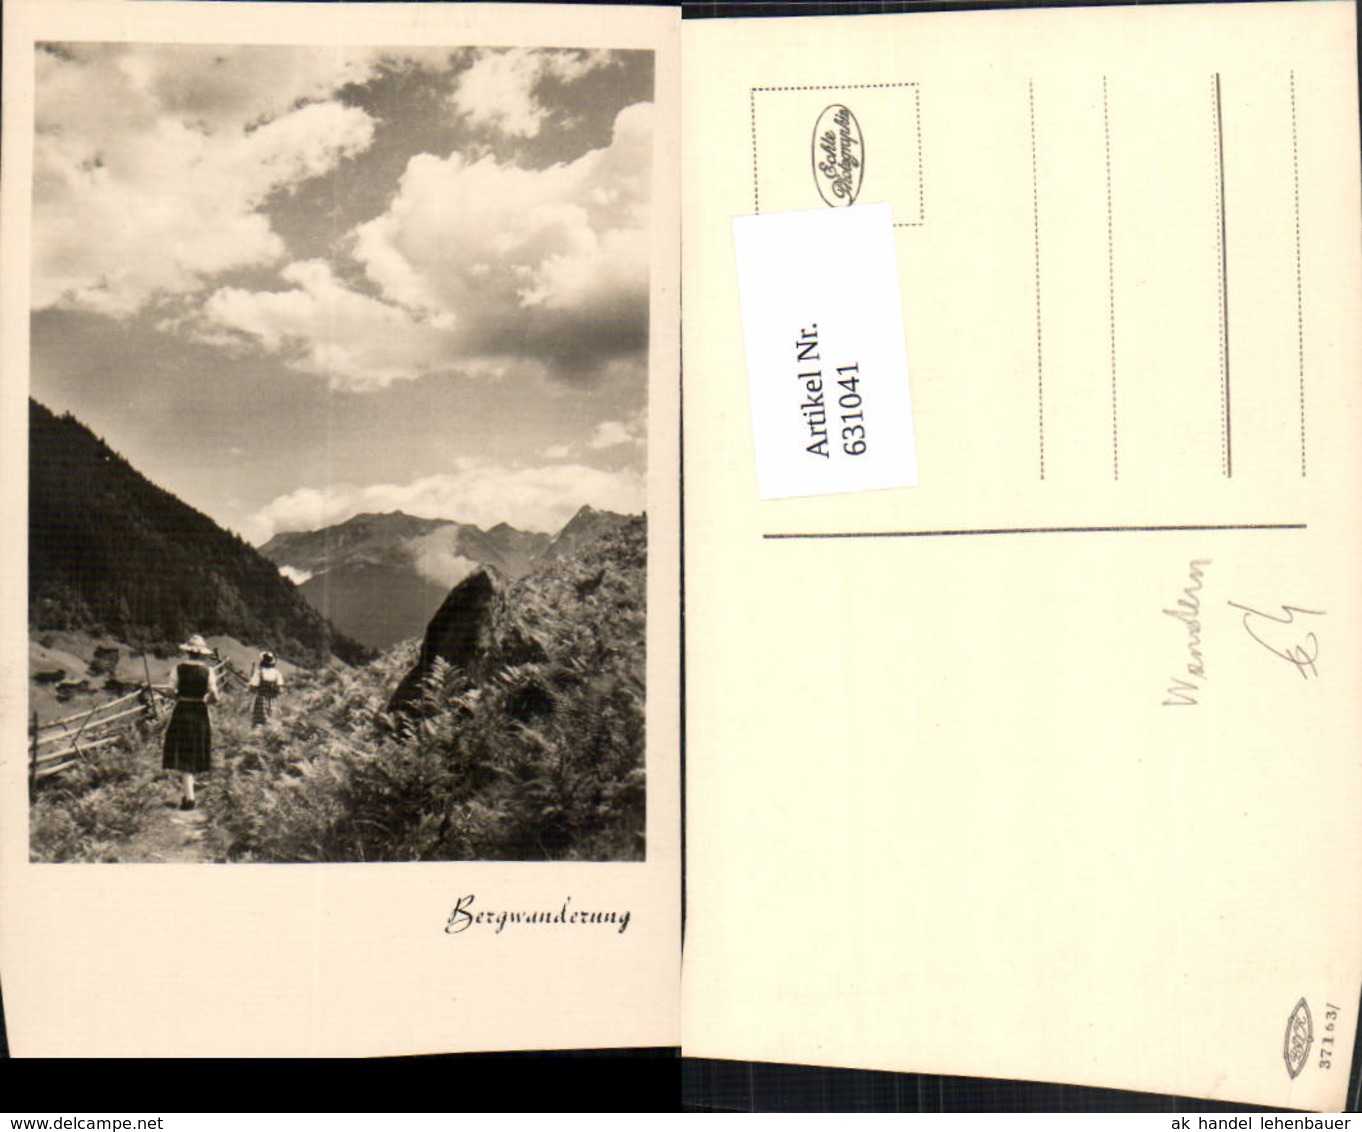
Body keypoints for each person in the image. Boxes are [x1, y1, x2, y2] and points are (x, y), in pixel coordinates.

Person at [163, 634, 218, 811]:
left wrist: (178, 695)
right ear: (202, 654)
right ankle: (190, 793)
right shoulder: (208, 671)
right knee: (194, 749)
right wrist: (206, 701)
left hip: (182, 711)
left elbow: (170, 691)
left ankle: (190, 796)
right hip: (200, 712)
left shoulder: (178, 669)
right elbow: (215, 696)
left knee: (184, 752)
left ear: (187, 652)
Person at [248, 650, 284, 727]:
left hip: (261, 699)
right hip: (272, 700)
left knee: (258, 722)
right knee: (270, 720)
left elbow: (252, 687)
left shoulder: (259, 673)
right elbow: (280, 690)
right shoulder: (277, 673)